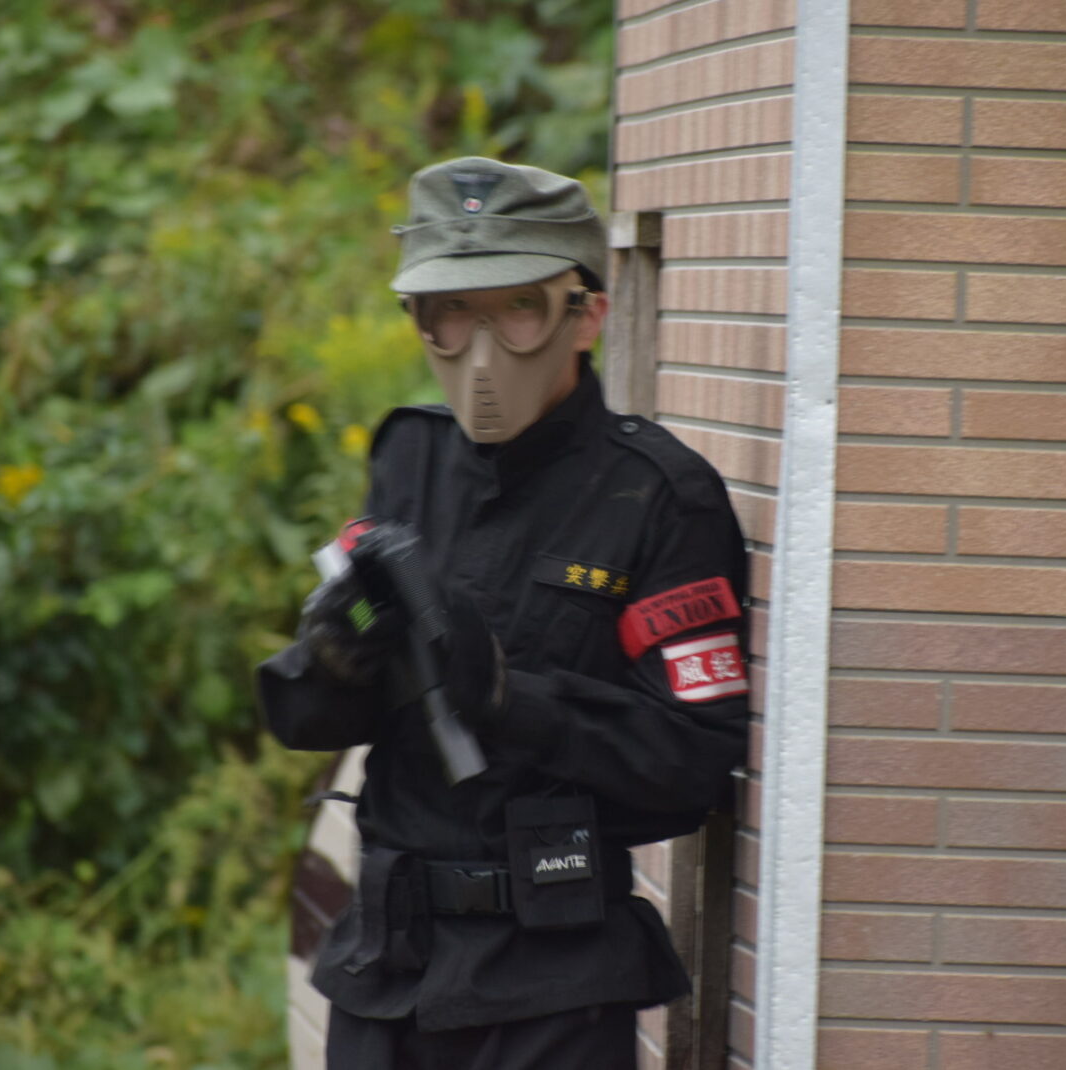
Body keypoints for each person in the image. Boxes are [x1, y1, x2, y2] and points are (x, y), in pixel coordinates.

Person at [256, 157, 749, 1070]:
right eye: (449, 315)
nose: (480, 353)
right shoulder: (410, 458)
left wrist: (508, 697)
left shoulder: (658, 497)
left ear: (585, 315)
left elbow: (691, 765)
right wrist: (330, 661)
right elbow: (319, 721)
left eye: (518, 310)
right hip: (388, 971)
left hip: (549, 987)